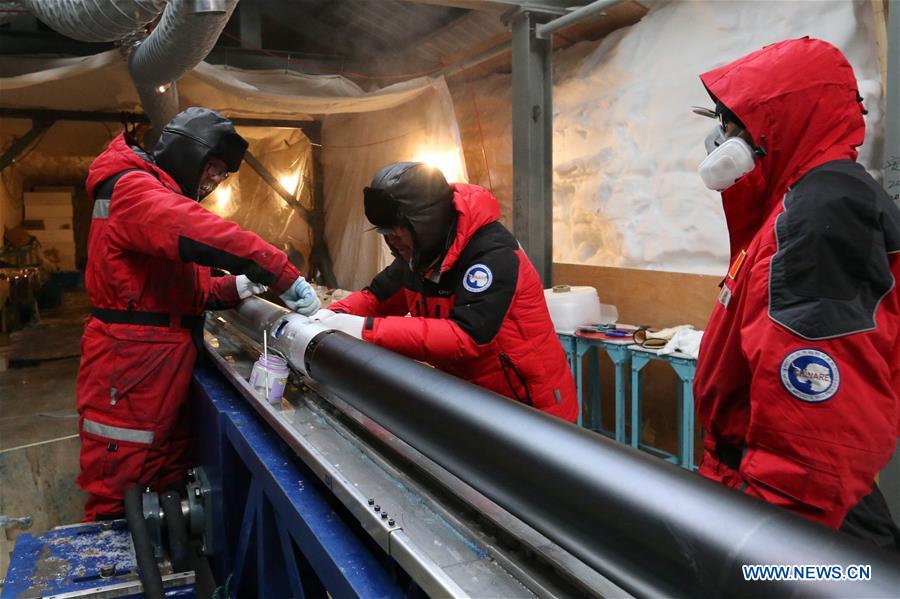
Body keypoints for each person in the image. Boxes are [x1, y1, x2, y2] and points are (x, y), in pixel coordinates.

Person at [692, 38, 900, 551]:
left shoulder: (820, 215)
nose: (721, 139)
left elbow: (814, 433)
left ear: (775, 124)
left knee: (838, 580)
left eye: (733, 124)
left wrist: (767, 554)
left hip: (798, 517)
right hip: (762, 487)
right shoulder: (794, 206)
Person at [76, 107, 320, 520]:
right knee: (121, 488)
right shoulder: (133, 188)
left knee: (165, 478)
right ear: (190, 153)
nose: (214, 181)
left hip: (157, 364)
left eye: (222, 175)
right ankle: (110, 556)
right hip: (130, 368)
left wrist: (238, 286)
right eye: (213, 168)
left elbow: (181, 289)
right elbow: (201, 232)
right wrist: (278, 271)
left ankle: (164, 550)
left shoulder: (155, 194)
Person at [318, 162, 578, 422]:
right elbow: (376, 297)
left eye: (397, 229)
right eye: (385, 233)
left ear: (426, 222)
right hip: (472, 400)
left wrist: (365, 330)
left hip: (531, 407)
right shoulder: (419, 257)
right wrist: (328, 318)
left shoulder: (492, 255)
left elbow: (467, 336)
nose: (392, 240)